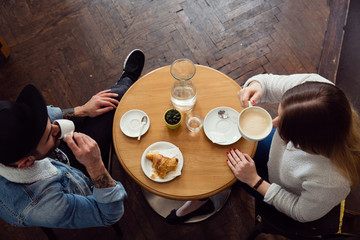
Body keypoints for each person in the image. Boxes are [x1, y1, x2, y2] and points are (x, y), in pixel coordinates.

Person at [0, 49, 145, 228]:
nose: (57, 127)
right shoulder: (44, 207)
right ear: (25, 162)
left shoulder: (9, 133)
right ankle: (127, 82)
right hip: (78, 179)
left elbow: (43, 117)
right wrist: (95, 165)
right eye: (48, 135)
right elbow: (109, 215)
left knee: (112, 102)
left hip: (55, 157)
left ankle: (126, 81)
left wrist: (82, 109)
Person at [227, 73, 360, 235]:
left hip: (281, 189)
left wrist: (254, 180)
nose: (273, 124)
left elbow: (300, 212)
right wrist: (257, 85)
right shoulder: (317, 92)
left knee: (229, 175)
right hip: (277, 160)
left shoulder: (332, 181)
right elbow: (268, 82)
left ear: (307, 144)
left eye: (284, 128)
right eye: (279, 115)